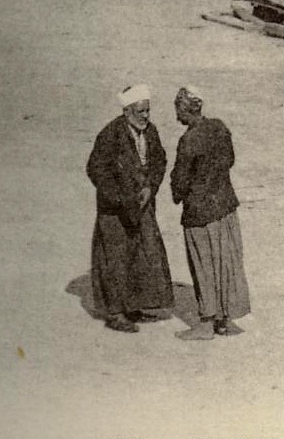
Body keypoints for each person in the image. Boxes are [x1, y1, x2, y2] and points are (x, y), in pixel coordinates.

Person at [86, 85, 174, 332]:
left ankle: (134, 306)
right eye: (140, 111)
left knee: (140, 255)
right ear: (126, 112)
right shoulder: (110, 134)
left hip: (142, 206)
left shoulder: (151, 131)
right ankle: (115, 313)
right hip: (115, 211)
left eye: (148, 110)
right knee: (115, 259)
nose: (145, 116)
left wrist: (151, 186)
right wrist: (122, 199)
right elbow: (96, 170)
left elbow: (159, 161)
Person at [169, 87, 251, 340]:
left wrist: (178, 193)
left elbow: (180, 180)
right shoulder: (219, 127)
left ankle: (206, 324)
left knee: (204, 266)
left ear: (185, 109)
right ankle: (224, 320)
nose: (177, 116)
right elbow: (230, 160)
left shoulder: (188, 140)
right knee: (225, 264)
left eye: (178, 110)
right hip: (225, 207)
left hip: (200, 212)